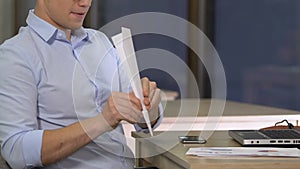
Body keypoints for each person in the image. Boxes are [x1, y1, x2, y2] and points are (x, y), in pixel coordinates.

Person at [0, 0, 163, 168]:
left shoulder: (100, 42)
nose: (85, 3)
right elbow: (16, 150)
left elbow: (142, 119)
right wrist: (102, 121)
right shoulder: (16, 55)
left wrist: (149, 108)